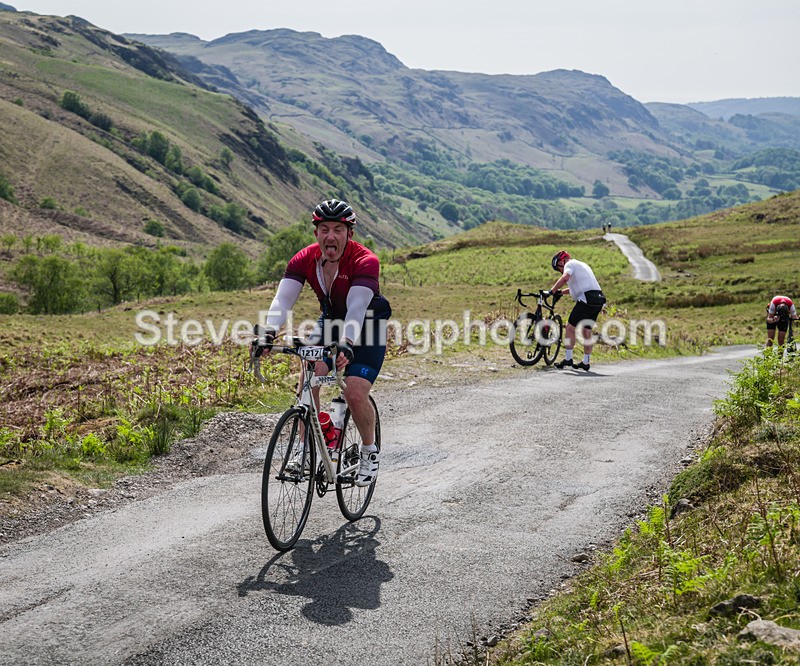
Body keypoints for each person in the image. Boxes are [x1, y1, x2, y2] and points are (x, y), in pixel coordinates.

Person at [255, 199, 391, 486]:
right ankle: (306, 449)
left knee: (354, 392)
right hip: (330, 322)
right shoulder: (304, 259)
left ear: (349, 234)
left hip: (367, 326)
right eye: (325, 229)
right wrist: (268, 333)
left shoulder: (365, 260)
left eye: (338, 230)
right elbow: (283, 300)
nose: (331, 236)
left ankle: (369, 451)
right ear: (316, 233)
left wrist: (347, 342)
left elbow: (356, 308)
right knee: (309, 374)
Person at [548, 250, 606, 371]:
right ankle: (586, 362)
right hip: (598, 300)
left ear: (562, 262)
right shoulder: (582, 265)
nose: (560, 270)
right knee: (586, 331)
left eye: (558, 268)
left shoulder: (569, 264)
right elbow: (577, 287)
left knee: (570, 328)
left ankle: (568, 358)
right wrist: (561, 292)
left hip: (586, 300)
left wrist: (551, 291)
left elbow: (565, 278)